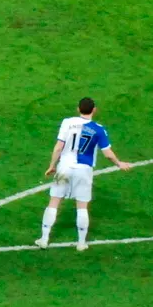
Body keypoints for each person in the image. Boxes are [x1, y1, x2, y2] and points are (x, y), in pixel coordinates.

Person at [38, 97, 133, 251]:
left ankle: (44, 239)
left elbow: (58, 147)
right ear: (94, 110)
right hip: (84, 170)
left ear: (78, 108)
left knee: (54, 202)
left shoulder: (67, 122)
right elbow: (107, 153)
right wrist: (119, 163)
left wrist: (51, 166)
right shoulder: (98, 129)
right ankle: (81, 243)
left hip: (64, 167)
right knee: (82, 206)